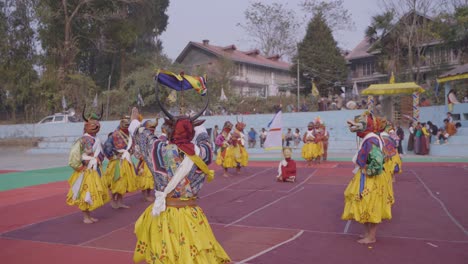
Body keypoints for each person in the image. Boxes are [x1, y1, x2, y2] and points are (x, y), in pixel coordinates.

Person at [129, 94, 230, 263]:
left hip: (165, 215)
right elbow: (204, 138)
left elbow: (143, 134)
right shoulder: (203, 153)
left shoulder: (158, 149)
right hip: (191, 215)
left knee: (165, 256)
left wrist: (134, 121)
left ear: (170, 130)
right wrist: (195, 127)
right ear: (191, 132)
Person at [342, 111, 394, 244]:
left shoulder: (372, 140)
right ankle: (367, 233)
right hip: (366, 175)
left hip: (371, 177)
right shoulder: (369, 139)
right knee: (363, 203)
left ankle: (371, 236)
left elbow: (376, 161)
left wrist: (368, 171)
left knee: (371, 204)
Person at [66, 107, 109, 224]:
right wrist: (80, 167)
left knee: (91, 193)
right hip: (86, 171)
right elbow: (74, 156)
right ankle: (85, 216)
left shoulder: (97, 139)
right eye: (92, 124)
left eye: (97, 124)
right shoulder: (82, 140)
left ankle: (89, 215)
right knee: (86, 193)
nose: (95, 126)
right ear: (86, 127)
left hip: (95, 169)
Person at [103, 115, 138, 209]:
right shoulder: (114, 135)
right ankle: (112, 200)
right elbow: (107, 147)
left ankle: (120, 201)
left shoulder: (130, 135)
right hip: (117, 162)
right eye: (125, 124)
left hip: (126, 160)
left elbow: (133, 146)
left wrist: (130, 152)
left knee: (124, 182)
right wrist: (113, 156)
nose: (126, 126)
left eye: (128, 124)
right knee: (116, 181)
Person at [134, 118, 158, 202]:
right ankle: (145, 195)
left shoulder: (155, 138)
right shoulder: (140, 139)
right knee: (144, 179)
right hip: (144, 162)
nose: (152, 131)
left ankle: (148, 194)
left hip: (153, 162)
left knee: (151, 179)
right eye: (150, 129)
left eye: (153, 129)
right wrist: (143, 156)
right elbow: (137, 151)